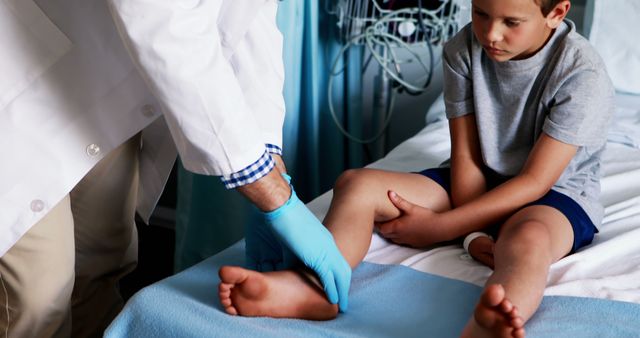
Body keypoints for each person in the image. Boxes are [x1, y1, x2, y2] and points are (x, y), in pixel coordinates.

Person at [217, 0, 614, 336]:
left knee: (526, 241)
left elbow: (534, 181)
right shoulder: (464, 49)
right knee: (356, 184)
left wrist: (443, 227)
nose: (491, 34)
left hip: (552, 193)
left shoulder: (582, 73)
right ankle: (316, 290)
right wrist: (471, 232)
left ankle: (492, 320)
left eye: (511, 22)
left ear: (557, 13)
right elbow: (466, 156)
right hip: (475, 179)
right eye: (480, 13)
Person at [0, 0, 349, 337]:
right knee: (40, 296)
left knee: (102, 260)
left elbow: (250, 19)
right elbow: (160, 20)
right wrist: (273, 196)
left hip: (101, 85)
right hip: (22, 68)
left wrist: (272, 161)